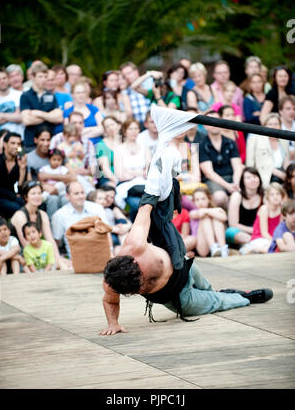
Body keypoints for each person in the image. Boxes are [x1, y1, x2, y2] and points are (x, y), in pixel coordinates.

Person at [99, 105, 273, 336]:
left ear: (134, 262)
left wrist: (159, 181)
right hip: (180, 296)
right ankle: (245, 298)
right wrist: (113, 324)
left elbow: (145, 208)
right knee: (221, 302)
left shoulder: (135, 244)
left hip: (186, 265)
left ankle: (223, 292)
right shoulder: (112, 282)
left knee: (211, 290)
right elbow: (110, 301)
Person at [10, 180, 71, 270]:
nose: (37, 196)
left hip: (38, 253)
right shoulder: (20, 216)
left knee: (67, 263)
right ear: (26, 197)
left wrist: (58, 259)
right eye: (33, 194)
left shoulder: (42, 214)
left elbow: (50, 240)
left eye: (39, 193)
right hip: (21, 256)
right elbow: (26, 244)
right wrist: (48, 260)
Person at [51, 180, 111, 259]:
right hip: (77, 259)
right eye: (76, 193)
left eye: (82, 192)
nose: (81, 196)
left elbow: (107, 233)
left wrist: (110, 252)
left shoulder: (97, 208)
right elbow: (57, 241)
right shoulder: (59, 215)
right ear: (67, 196)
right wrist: (60, 259)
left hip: (100, 255)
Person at [199, 110, 243, 209]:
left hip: (232, 177)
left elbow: (237, 166)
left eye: (217, 120)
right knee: (220, 197)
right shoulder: (202, 145)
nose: (214, 123)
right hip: (213, 180)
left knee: (242, 193)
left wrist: (235, 183)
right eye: (210, 121)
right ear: (205, 126)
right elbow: (209, 173)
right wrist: (228, 186)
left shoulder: (230, 142)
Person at [20, 62, 63, 152]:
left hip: (49, 143)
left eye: (45, 77)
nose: (43, 80)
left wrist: (38, 113)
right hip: (31, 142)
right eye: (40, 77)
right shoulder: (25, 96)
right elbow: (27, 120)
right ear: (33, 77)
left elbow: (59, 118)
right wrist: (49, 116)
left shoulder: (51, 95)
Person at [114, 118, 151, 220]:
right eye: (130, 129)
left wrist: (131, 172)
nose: (134, 131)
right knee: (138, 205)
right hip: (126, 186)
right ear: (125, 131)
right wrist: (140, 172)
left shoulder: (145, 148)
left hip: (144, 184)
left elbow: (149, 172)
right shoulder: (119, 149)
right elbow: (120, 175)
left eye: (136, 128)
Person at [50, 111, 98, 186]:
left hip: (82, 173)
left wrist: (85, 171)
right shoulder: (57, 139)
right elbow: (51, 160)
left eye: (80, 123)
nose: (77, 126)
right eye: (74, 123)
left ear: (84, 124)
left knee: (90, 183)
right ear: (68, 124)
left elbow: (94, 168)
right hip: (63, 175)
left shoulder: (88, 143)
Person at [239, 183, 286, 255]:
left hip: (273, 239)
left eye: (278, 194)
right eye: (272, 195)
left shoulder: (282, 210)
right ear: (267, 197)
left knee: (281, 247)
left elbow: (280, 229)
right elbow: (264, 233)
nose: (275, 197)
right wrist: (276, 242)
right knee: (274, 248)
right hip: (260, 238)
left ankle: (256, 250)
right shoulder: (264, 209)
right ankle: (251, 248)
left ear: (282, 196)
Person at [182, 186, 228, 258]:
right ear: (193, 202)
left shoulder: (214, 210)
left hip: (217, 241)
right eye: (197, 200)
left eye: (203, 199)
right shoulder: (192, 213)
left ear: (209, 199)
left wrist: (209, 211)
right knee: (205, 217)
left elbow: (224, 217)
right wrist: (214, 211)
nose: (200, 202)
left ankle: (223, 249)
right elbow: (201, 213)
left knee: (217, 218)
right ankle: (213, 247)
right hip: (203, 247)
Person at [246, 113, 290, 188]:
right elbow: (250, 164)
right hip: (265, 176)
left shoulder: (284, 140)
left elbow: (286, 161)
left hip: (283, 175)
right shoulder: (255, 139)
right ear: (264, 126)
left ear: (280, 126)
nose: (274, 126)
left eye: (276, 124)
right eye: (270, 124)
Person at [227, 167, 264, 248]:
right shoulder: (237, 196)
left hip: (260, 231)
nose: (252, 180)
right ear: (242, 181)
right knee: (231, 232)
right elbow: (233, 224)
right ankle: (255, 243)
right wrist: (253, 230)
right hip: (240, 232)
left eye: (255, 176)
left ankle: (253, 245)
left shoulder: (264, 196)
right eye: (248, 178)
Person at [88, 188, 131, 255]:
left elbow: (126, 222)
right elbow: (98, 225)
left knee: (122, 221)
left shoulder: (109, 210)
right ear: (93, 200)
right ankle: (123, 250)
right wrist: (114, 229)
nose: (103, 201)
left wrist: (122, 227)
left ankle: (125, 250)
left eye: (104, 199)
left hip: (117, 232)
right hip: (107, 234)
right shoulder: (92, 212)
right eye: (99, 199)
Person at [0, 132, 28, 218]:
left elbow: (21, 187)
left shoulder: (20, 163)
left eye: (18, 144)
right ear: (5, 144)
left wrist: (22, 169)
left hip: (15, 197)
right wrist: (14, 196)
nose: (16, 146)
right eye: (13, 143)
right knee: (18, 209)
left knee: (29, 206)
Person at [120, 62, 151, 128]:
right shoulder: (125, 92)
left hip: (154, 123)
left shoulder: (149, 82)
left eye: (128, 73)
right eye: (124, 76)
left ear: (136, 71)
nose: (127, 77)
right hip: (138, 127)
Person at [0, 67, 23, 137]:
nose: (2, 81)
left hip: (18, 139)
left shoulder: (19, 95)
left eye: (4, 78)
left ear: (8, 79)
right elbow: (16, 116)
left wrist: (1, 116)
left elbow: (20, 117)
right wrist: (13, 116)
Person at [95, 116, 122, 188]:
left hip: (127, 176)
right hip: (109, 178)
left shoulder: (126, 141)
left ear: (119, 125)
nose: (110, 128)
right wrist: (117, 181)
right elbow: (105, 169)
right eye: (107, 126)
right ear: (105, 130)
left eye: (112, 124)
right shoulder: (101, 145)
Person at [279, 95, 295, 161]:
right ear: (281, 111)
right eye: (288, 108)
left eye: (294, 109)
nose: (292, 112)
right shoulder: (274, 126)